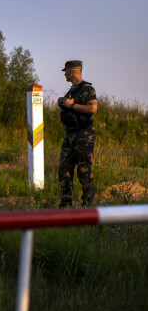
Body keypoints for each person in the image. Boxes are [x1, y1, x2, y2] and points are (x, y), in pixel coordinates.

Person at [56, 60, 98, 208]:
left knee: (84, 169)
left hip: (83, 134)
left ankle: (88, 204)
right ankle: (66, 203)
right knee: (64, 169)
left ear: (71, 72)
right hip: (70, 134)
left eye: (66, 71)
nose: (65, 74)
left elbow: (92, 108)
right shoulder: (71, 90)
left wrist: (72, 105)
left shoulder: (87, 88)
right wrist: (63, 103)